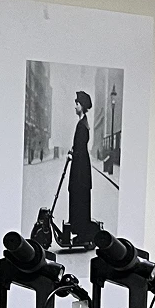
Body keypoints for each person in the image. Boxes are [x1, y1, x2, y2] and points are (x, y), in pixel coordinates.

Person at [67, 90, 93, 244]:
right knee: (79, 198)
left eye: (76, 104)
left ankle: (82, 235)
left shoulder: (82, 126)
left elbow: (81, 149)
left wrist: (73, 155)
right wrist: (73, 151)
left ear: (82, 106)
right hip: (81, 168)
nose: (75, 107)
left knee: (79, 198)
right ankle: (81, 233)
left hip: (80, 170)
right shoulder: (83, 123)